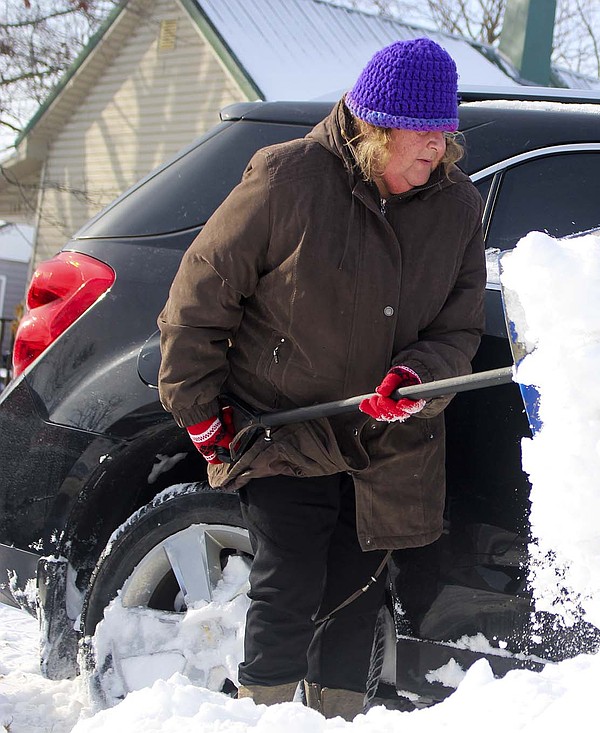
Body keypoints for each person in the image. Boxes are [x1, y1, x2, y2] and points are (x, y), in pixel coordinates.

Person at [157, 37, 485, 720]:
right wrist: (199, 409)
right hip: (285, 425)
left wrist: (415, 377)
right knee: (290, 586)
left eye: (444, 133)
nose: (437, 149)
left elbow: (458, 331)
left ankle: (334, 720)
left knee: (356, 596)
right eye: (423, 133)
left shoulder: (456, 208)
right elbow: (199, 296)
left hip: (387, 442)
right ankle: (264, 714)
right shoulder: (289, 178)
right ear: (376, 127)